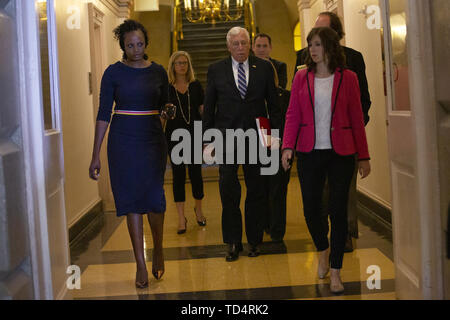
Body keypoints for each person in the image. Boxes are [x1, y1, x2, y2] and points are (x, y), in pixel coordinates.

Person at [281, 27, 371, 293]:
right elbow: (292, 115)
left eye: (317, 44)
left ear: (330, 47)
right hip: (309, 151)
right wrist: (288, 147)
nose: (312, 49)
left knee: (338, 210)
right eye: (310, 45)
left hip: (341, 152)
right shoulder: (301, 77)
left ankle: (335, 271)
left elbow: (356, 118)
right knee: (311, 208)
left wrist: (364, 156)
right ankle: (322, 247)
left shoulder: (349, 78)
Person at [89, 20, 170, 288]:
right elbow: (103, 114)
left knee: (155, 198)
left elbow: (165, 106)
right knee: (132, 201)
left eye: (140, 44)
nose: (135, 49)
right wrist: (95, 154)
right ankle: (140, 262)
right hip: (123, 141)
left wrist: (165, 118)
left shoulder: (158, 72)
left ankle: (158, 248)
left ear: (146, 43)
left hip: (151, 139)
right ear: (122, 46)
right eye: (130, 45)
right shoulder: (113, 73)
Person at [294, 12, 372, 251]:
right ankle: (323, 240)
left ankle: (345, 233)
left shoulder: (353, 59)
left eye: (324, 32)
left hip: (343, 142)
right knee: (317, 197)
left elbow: (363, 102)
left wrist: (349, 132)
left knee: (343, 194)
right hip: (313, 144)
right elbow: (295, 106)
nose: (316, 41)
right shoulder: (303, 60)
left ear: (336, 35)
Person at [203, 26, 280, 262]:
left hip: (256, 139)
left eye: (244, 43)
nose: (240, 48)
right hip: (226, 139)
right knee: (229, 191)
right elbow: (209, 108)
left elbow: (274, 107)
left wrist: (275, 137)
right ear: (228, 47)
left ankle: (254, 241)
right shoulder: (216, 70)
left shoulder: (264, 68)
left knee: (256, 190)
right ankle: (233, 242)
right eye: (235, 44)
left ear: (250, 45)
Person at [252, 33, 290, 242]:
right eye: (257, 46)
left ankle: (277, 230)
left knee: (278, 187)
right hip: (258, 138)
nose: (261, 48)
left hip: (278, 139)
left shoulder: (283, 93)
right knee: (261, 185)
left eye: (264, 45)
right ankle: (264, 223)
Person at [165, 51, 206, 235]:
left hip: (195, 134)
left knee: (196, 173)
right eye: (178, 63)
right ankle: (181, 217)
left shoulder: (196, 86)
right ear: (172, 66)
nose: (182, 66)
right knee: (178, 176)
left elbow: (203, 112)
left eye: (185, 63)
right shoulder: (167, 88)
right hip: (174, 136)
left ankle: (198, 209)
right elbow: (163, 115)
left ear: (189, 66)